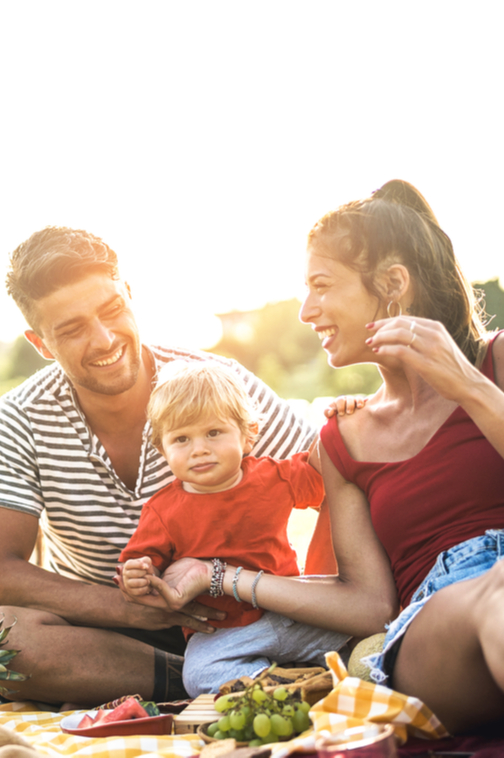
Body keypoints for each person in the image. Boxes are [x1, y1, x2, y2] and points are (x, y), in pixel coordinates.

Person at [129, 180, 503, 734]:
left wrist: (469, 386)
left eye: (321, 286)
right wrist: (222, 577)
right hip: (439, 628)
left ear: (393, 285)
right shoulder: (342, 439)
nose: (306, 311)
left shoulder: (494, 365)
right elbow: (370, 607)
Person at [0, 226, 321, 706]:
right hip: (111, 638)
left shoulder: (215, 384)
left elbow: (337, 480)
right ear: (41, 343)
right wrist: (131, 609)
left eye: (112, 310)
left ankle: (233, 669)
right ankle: (204, 680)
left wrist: (322, 596)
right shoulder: (22, 414)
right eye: (72, 329)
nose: (104, 338)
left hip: (251, 619)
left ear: (130, 295)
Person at [117, 361, 348, 696]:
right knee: (197, 673)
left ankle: (310, 676)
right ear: (162, 449)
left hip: (291, 611)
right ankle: (281, 685)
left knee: (362, 637)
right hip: (225, 633)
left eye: (214, 432)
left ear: (247, 435)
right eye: (181, 438)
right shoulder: (163, 511)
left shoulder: (273, 478)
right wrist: (136, 577)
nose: (199, 449)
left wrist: (339, 422)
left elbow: (322, 475)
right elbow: (138, 565)